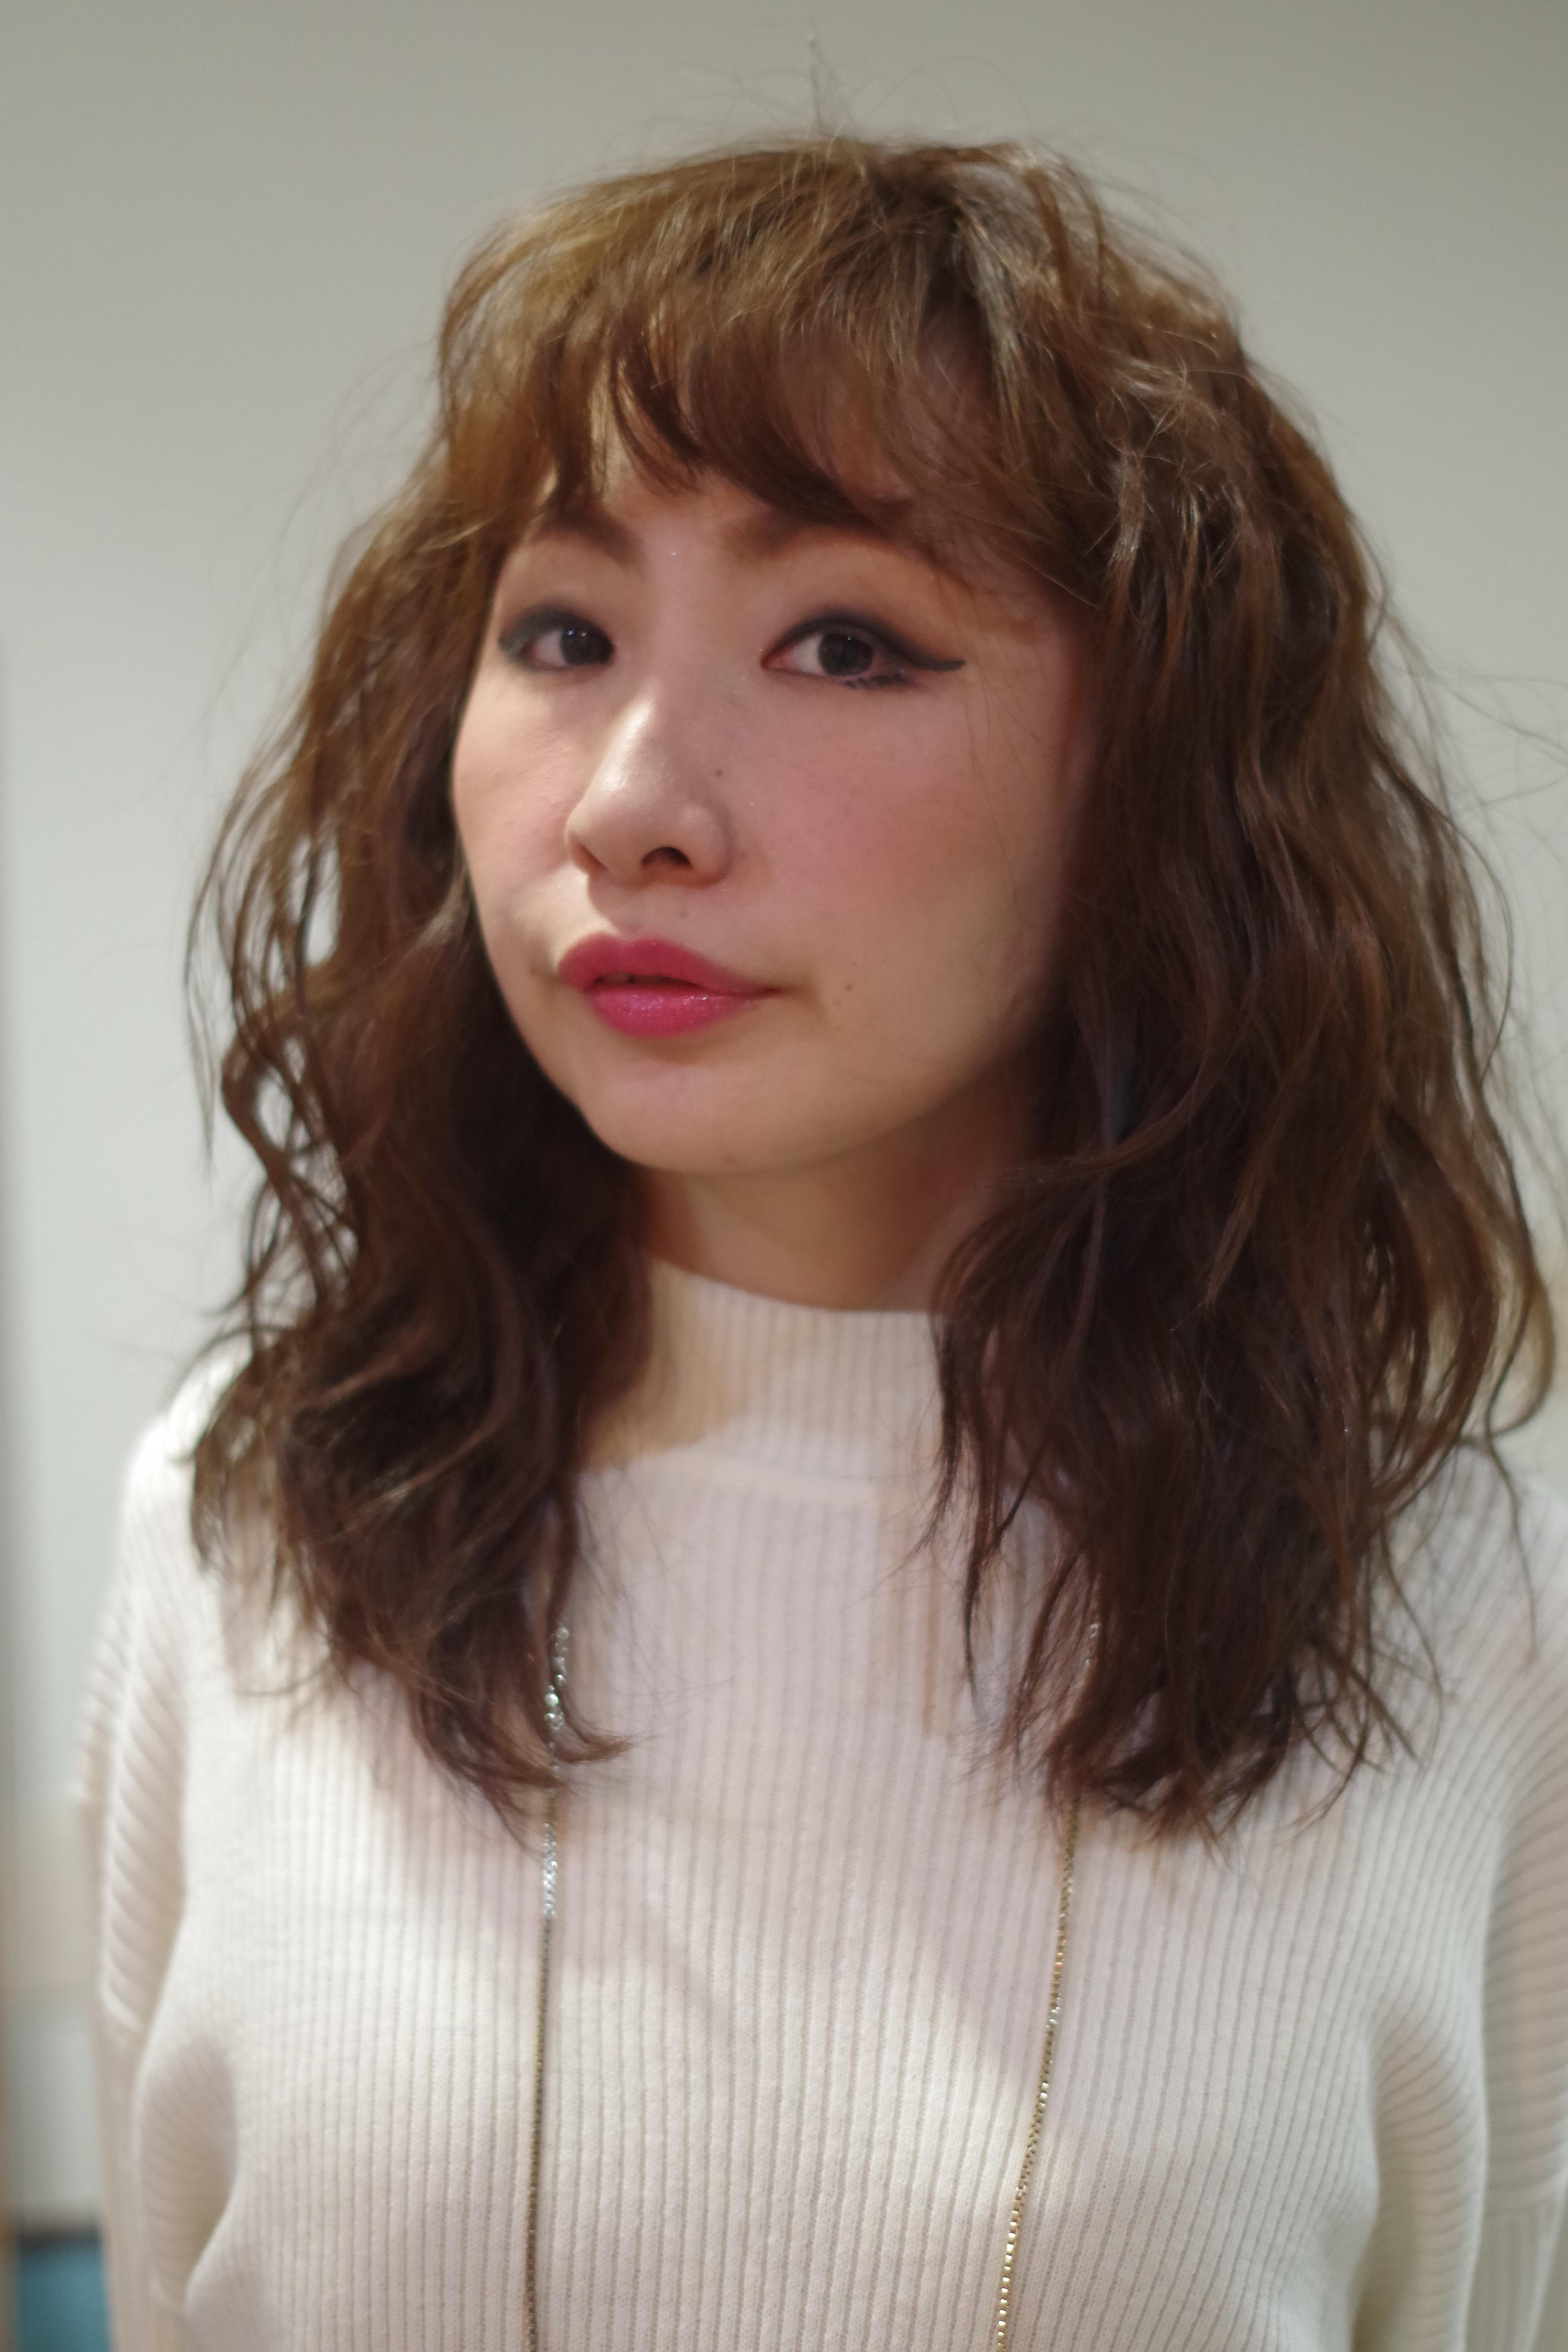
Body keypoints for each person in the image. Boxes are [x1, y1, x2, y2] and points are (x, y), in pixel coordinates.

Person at [78, 136, 1568, 2351]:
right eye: (562, 634)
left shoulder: (1449, 1599)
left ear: (1156, 791)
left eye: (846, 643)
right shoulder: (250, 1522)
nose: (630, 806)